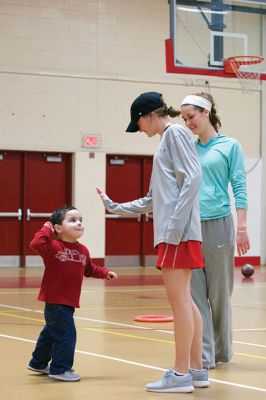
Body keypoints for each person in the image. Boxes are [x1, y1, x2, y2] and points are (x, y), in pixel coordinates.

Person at [97, 91, 209, 393]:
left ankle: (181, 374)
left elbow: (194, 178)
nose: (140, 130)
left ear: (148, 116)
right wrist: (116, 206)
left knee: (180, 302)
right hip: (179, 232)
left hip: (177, 234)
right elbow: (152, 198)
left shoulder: (173, 135)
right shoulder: (168, 141)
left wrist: (173, 227)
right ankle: (197, 371)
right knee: (188, 302)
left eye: (139, 124)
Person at [180, 93, 250, 369]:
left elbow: (239, 187)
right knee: (196, 296)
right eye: (184, 119)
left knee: (219, 294)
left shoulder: (230, 146)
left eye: (191, 116)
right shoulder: (188, 148)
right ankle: (204, 356)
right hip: (191, 227)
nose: (187, 123)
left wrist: (242, 226)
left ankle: (222, 352)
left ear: (206, 113)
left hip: (219, 224)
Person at [27, 205, 118, 381]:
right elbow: (35, 243)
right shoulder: (52, 246)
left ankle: (38, 363)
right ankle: (60, 369)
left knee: (52, 333)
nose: (79, 223)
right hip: (55, 299)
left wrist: (105, 272)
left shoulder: (83, 250)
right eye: (72, 220)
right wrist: (46, 228)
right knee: (66, 334)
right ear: (58, 228)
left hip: (69, 300)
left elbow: (90, 269)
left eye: (80, 220)